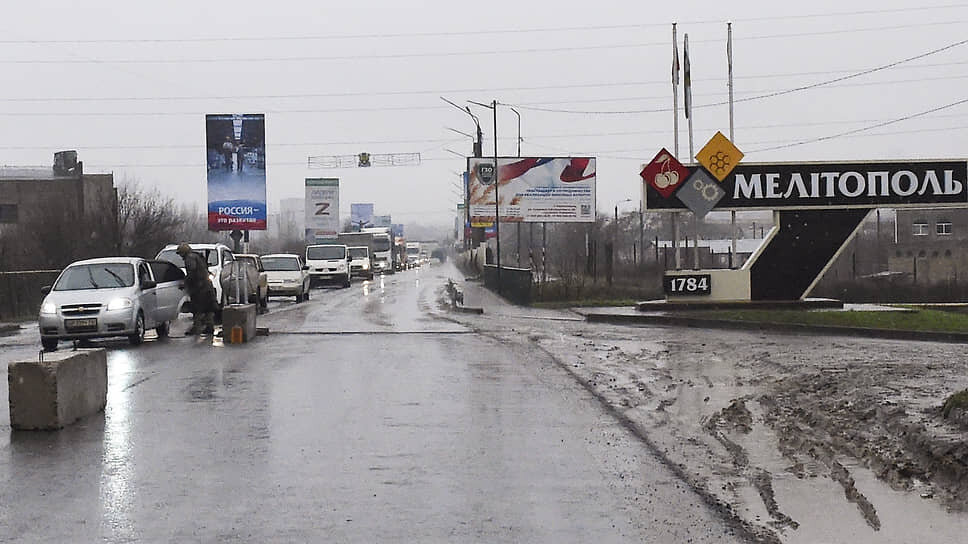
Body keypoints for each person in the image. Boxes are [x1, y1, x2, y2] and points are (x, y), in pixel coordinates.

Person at [176, 243, 216, 335]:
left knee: (197, 308)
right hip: (206, 285)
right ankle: (210, 327)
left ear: (184, 252)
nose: (180, 256)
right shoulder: (197, 256)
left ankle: (196, 328)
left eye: (180, 253)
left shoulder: (189, 258)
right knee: (208, 307)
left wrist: (185, 283)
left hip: (199, 287)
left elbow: (192, 273)